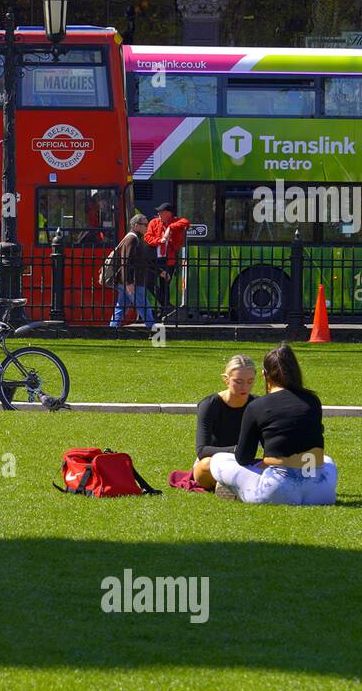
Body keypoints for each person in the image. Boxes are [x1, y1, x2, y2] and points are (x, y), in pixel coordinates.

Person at [209, 343, 337, 505]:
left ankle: (235, 489)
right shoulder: (313, 400)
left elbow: (243, 457)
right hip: (320, 490)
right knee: (327, 459)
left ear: (264, 374)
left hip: (278, 490)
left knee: (218, 459)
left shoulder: (257, 405)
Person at [191, 355, 257, 491]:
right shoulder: (209, 405)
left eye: (250, 381)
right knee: (205, 465)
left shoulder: (257, 405)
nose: (245, 387)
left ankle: (230, 485)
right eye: (238, 381)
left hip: (244, 463)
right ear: (226, 380)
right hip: (213, 462)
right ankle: (231, 484)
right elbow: (202, 450)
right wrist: (236, 450)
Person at [108, 213, 161, 330]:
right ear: (136, 225)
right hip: (133, 282)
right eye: (145, 225)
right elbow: (126, 262)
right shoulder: (132, 239)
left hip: (128, 281)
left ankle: (111, 330)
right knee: (145, 307)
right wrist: (129, 282)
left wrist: (159, 271)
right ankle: (154, 331)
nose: (147, 227)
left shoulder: (133, 238)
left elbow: (141, 261)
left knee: (121, 307)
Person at [143, 202, 190, 317]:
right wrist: (160, 240)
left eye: (161, 212)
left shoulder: (175, 222)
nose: (159, 213)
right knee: (149, 283)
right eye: (158, 211)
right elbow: (147, 237)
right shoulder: (154, 222)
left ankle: (164, 309)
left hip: (168, 260)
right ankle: (167, 305)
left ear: (169, 213)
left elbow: (186, 222)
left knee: (165, 285)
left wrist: (170, 227)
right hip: (155, 259)